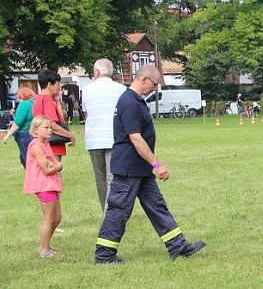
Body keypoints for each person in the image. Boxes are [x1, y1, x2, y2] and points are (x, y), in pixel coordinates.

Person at [95, 64, 205, 264]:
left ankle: (177, 247)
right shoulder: (129, 102)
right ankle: (104, 255)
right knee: (119, 210)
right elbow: (135, 138)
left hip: (140, 169)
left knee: (157, 206)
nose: (154, 89)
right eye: (154, 84)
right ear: (143, 79)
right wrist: (157, 164)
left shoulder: (137, 101)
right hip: (129, 168)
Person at [81, 58, 127, 212]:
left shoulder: (87, 90)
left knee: (100, 179)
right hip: (114, 138)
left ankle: (106, 210)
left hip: (94, 139)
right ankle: (111, 212)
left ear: (97, 72)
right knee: (112, 178)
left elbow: (86, 114)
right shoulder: (121, 89)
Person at [24, 116, 64, 258]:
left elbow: (51, 162)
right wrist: (59, 166)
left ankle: (44, 244)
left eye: (50, 128)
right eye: (46, 128)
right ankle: (44, 250)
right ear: (35, 130)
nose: (49, 131)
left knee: (57, 217)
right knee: (49, 218)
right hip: (44, 185)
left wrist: (55, 165)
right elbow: (47, 169)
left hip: (51, 184)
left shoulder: (45, 144)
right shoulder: (36, 146)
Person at [32, 68, 75, 160]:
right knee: (54, 173)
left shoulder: (39, 99)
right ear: (49, 85)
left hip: (43, 145)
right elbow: (52, 125)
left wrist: (57, 101)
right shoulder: (47, 100)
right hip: (52, 148)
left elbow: (61, 121)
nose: (59, 87)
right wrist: (70, 135)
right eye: (57, 84)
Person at [2, 87, 37, 168]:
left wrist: (8, 135)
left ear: (24, 95)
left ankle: (32, 179)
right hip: (33, 132)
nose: (17, 99)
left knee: (27, 160)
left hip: (24, 134)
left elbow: (18, 123)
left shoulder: (24, 104)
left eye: (18, 96)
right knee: (30, 158)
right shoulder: (34, 103)